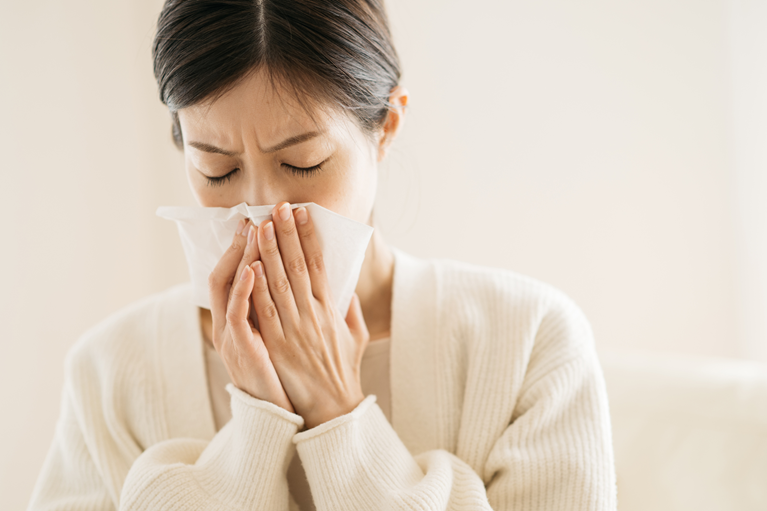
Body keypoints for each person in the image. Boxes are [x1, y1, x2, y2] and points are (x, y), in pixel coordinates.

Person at [28, 0, 617, 509]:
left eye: (302, 163)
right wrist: (256, 425)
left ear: (385, 126)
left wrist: (339, 415)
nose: (261, 210)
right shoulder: (111, 372)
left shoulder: (527, 342)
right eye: (218, 169)